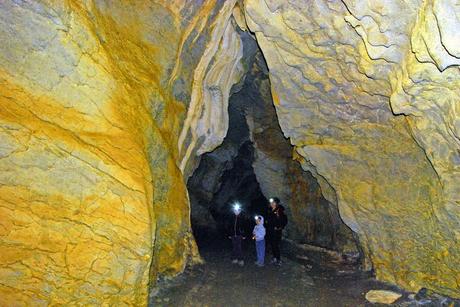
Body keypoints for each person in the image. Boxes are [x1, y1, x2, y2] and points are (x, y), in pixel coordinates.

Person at [266, 197, 288, 265]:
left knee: (275, 245)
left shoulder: (279, 210)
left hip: (276, 232)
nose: (272, 204)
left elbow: (284, 220)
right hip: (270, 231)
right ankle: (275, 258)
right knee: (272, 245)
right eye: (271, 203)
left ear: (276, 203)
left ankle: (278, 259)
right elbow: (268, 221)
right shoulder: (270, 211)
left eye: (273, 202)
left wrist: (279, 227)